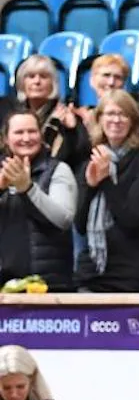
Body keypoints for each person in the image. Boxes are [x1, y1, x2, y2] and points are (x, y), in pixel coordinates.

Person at [74, 91, 139, 293]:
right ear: (100, 120)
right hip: (93, 271)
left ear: (133, 122)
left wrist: (105, 182)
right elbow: (79, 224)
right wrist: (90, 185)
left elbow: (133, 220)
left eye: (123, 115)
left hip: (133, 272)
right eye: (110, 114)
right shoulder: (89, 162)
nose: (116, 120)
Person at [0, 112, 75, 292]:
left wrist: (27, 188)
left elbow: (62, 219)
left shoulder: (58, 170)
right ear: (5, 139)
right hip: (4, 286)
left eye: (32, 131)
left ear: (41, 136)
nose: (26, 138)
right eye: (19, 132)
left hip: (48, 285)